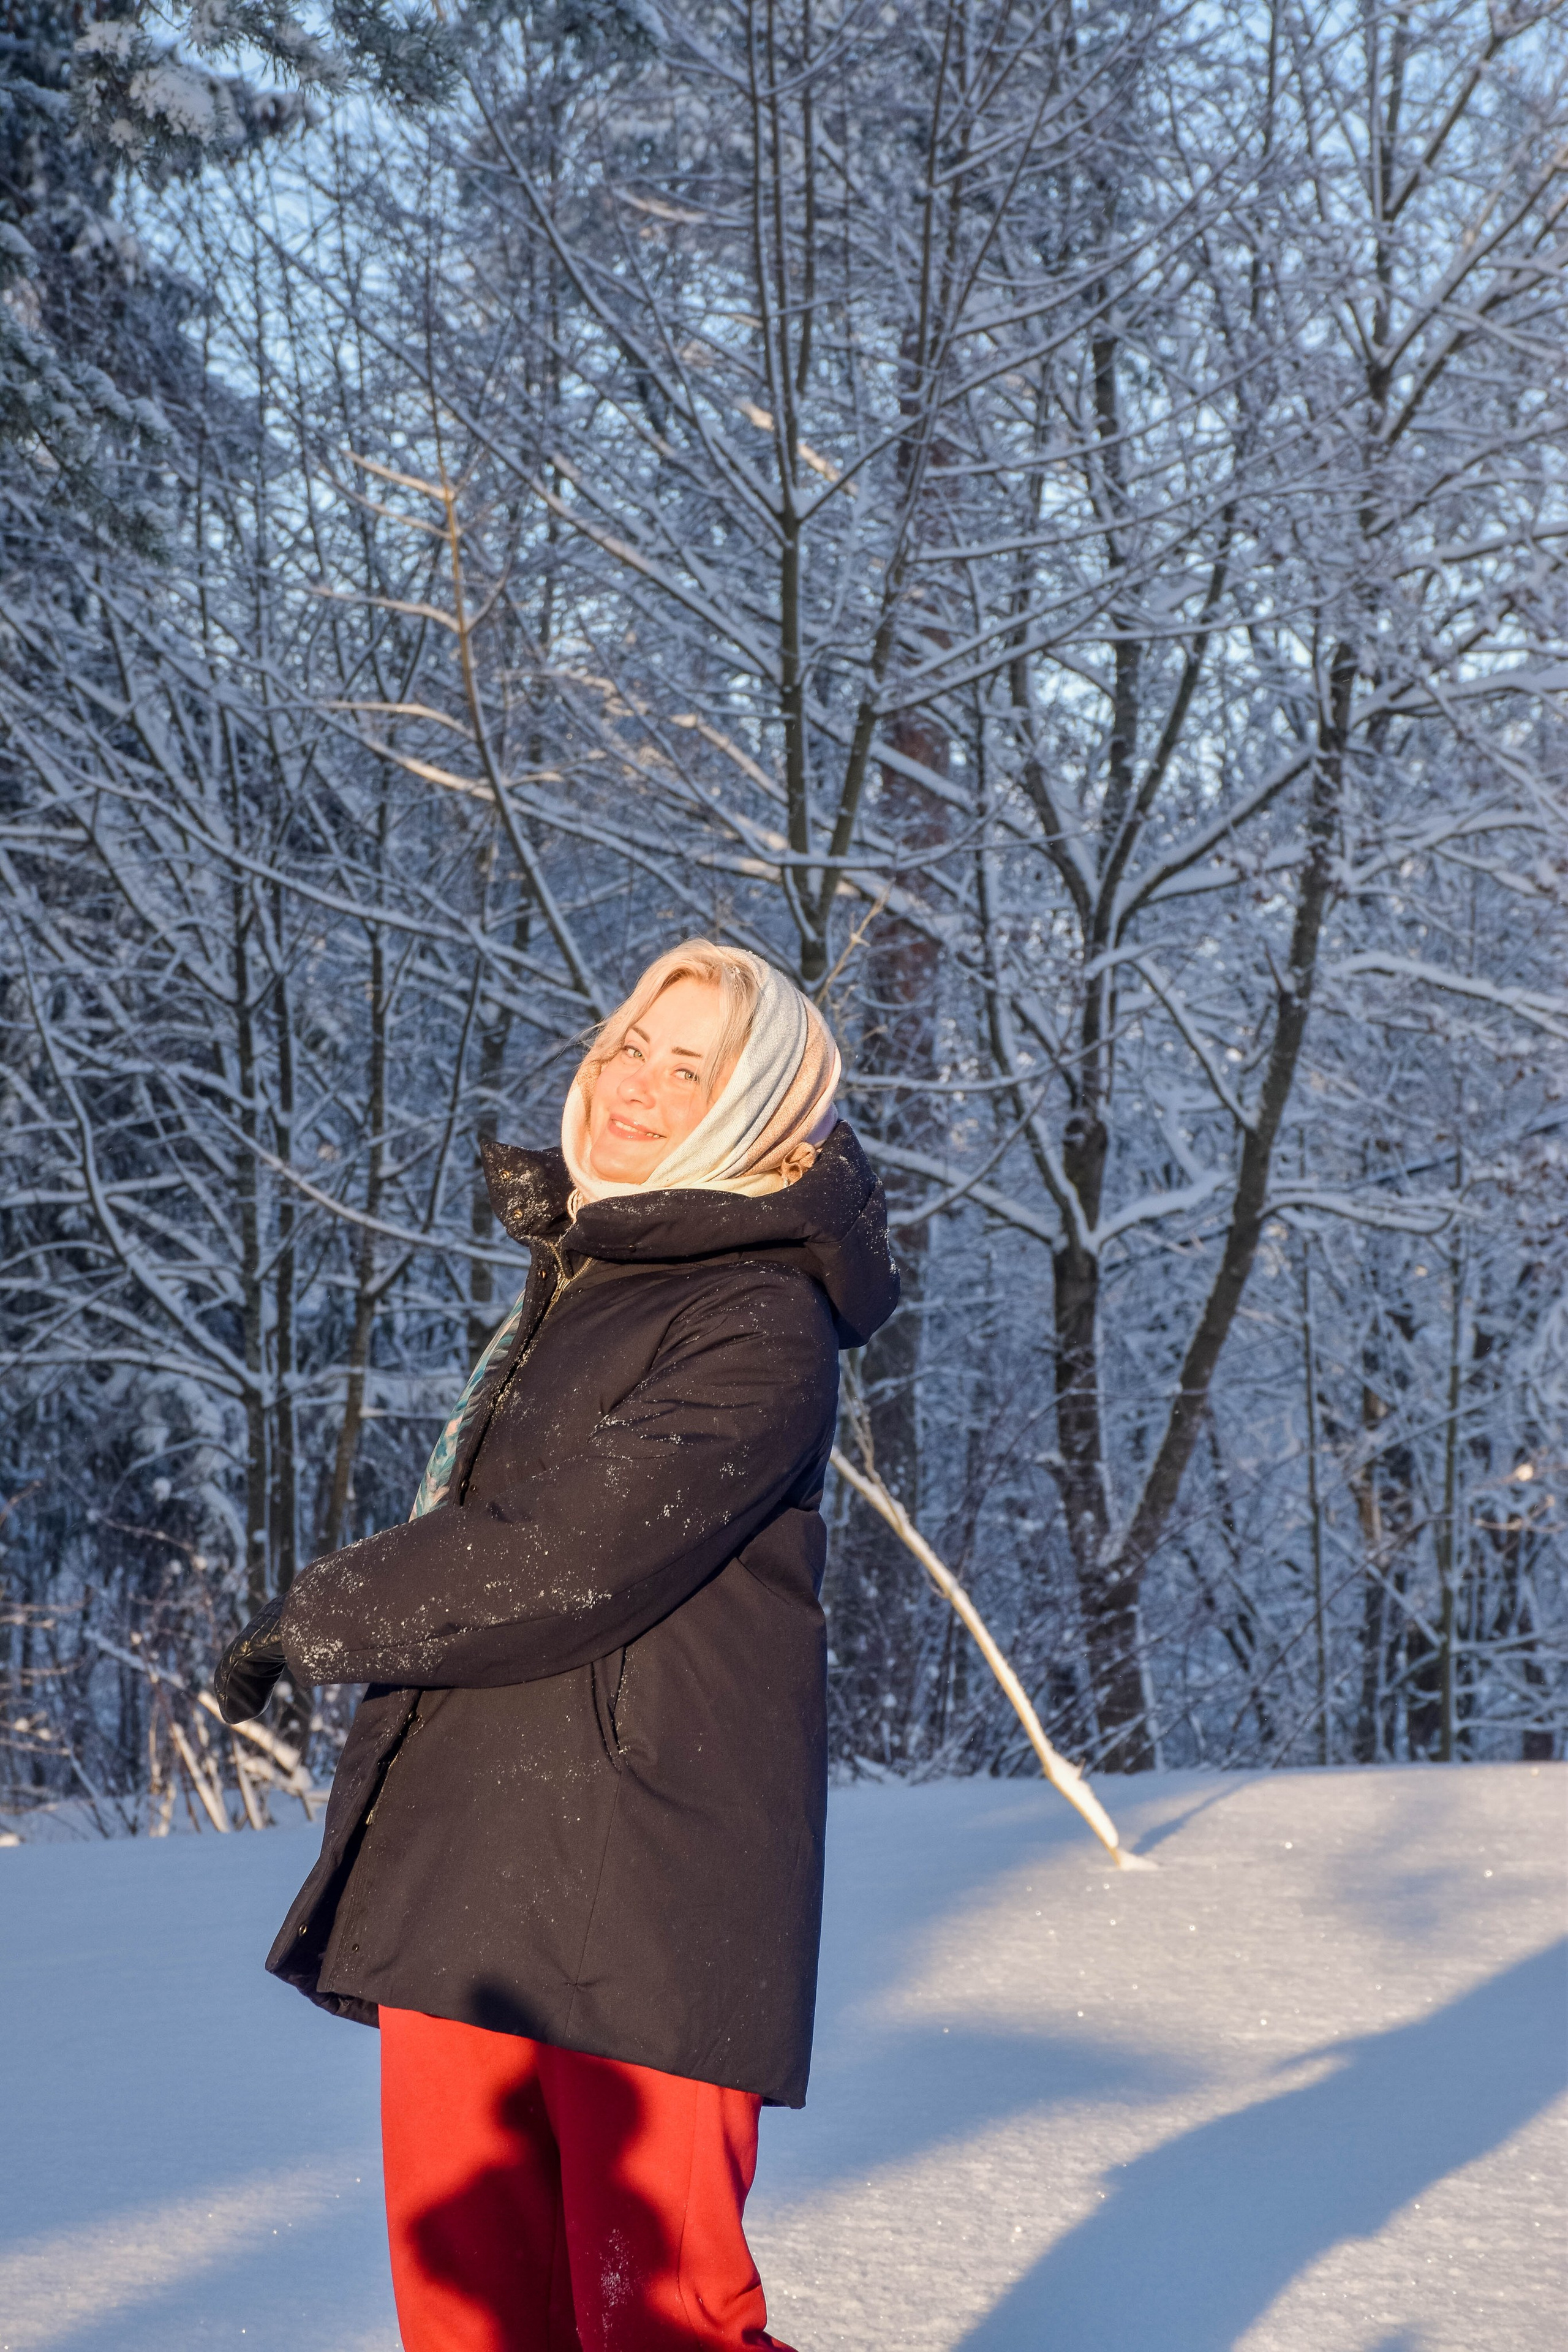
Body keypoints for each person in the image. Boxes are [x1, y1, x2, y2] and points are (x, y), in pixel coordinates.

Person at [216, 940, 899, 2352]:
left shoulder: (756, 1313)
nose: (636, 1084)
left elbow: (572, 1550)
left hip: (645, 1898)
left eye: (689, 1069)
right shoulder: (590, 1277)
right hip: (477, 1877)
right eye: (630, 1046)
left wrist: (323, 1614)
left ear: (757, 1108)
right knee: (472, 2317)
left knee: (661, 2322)